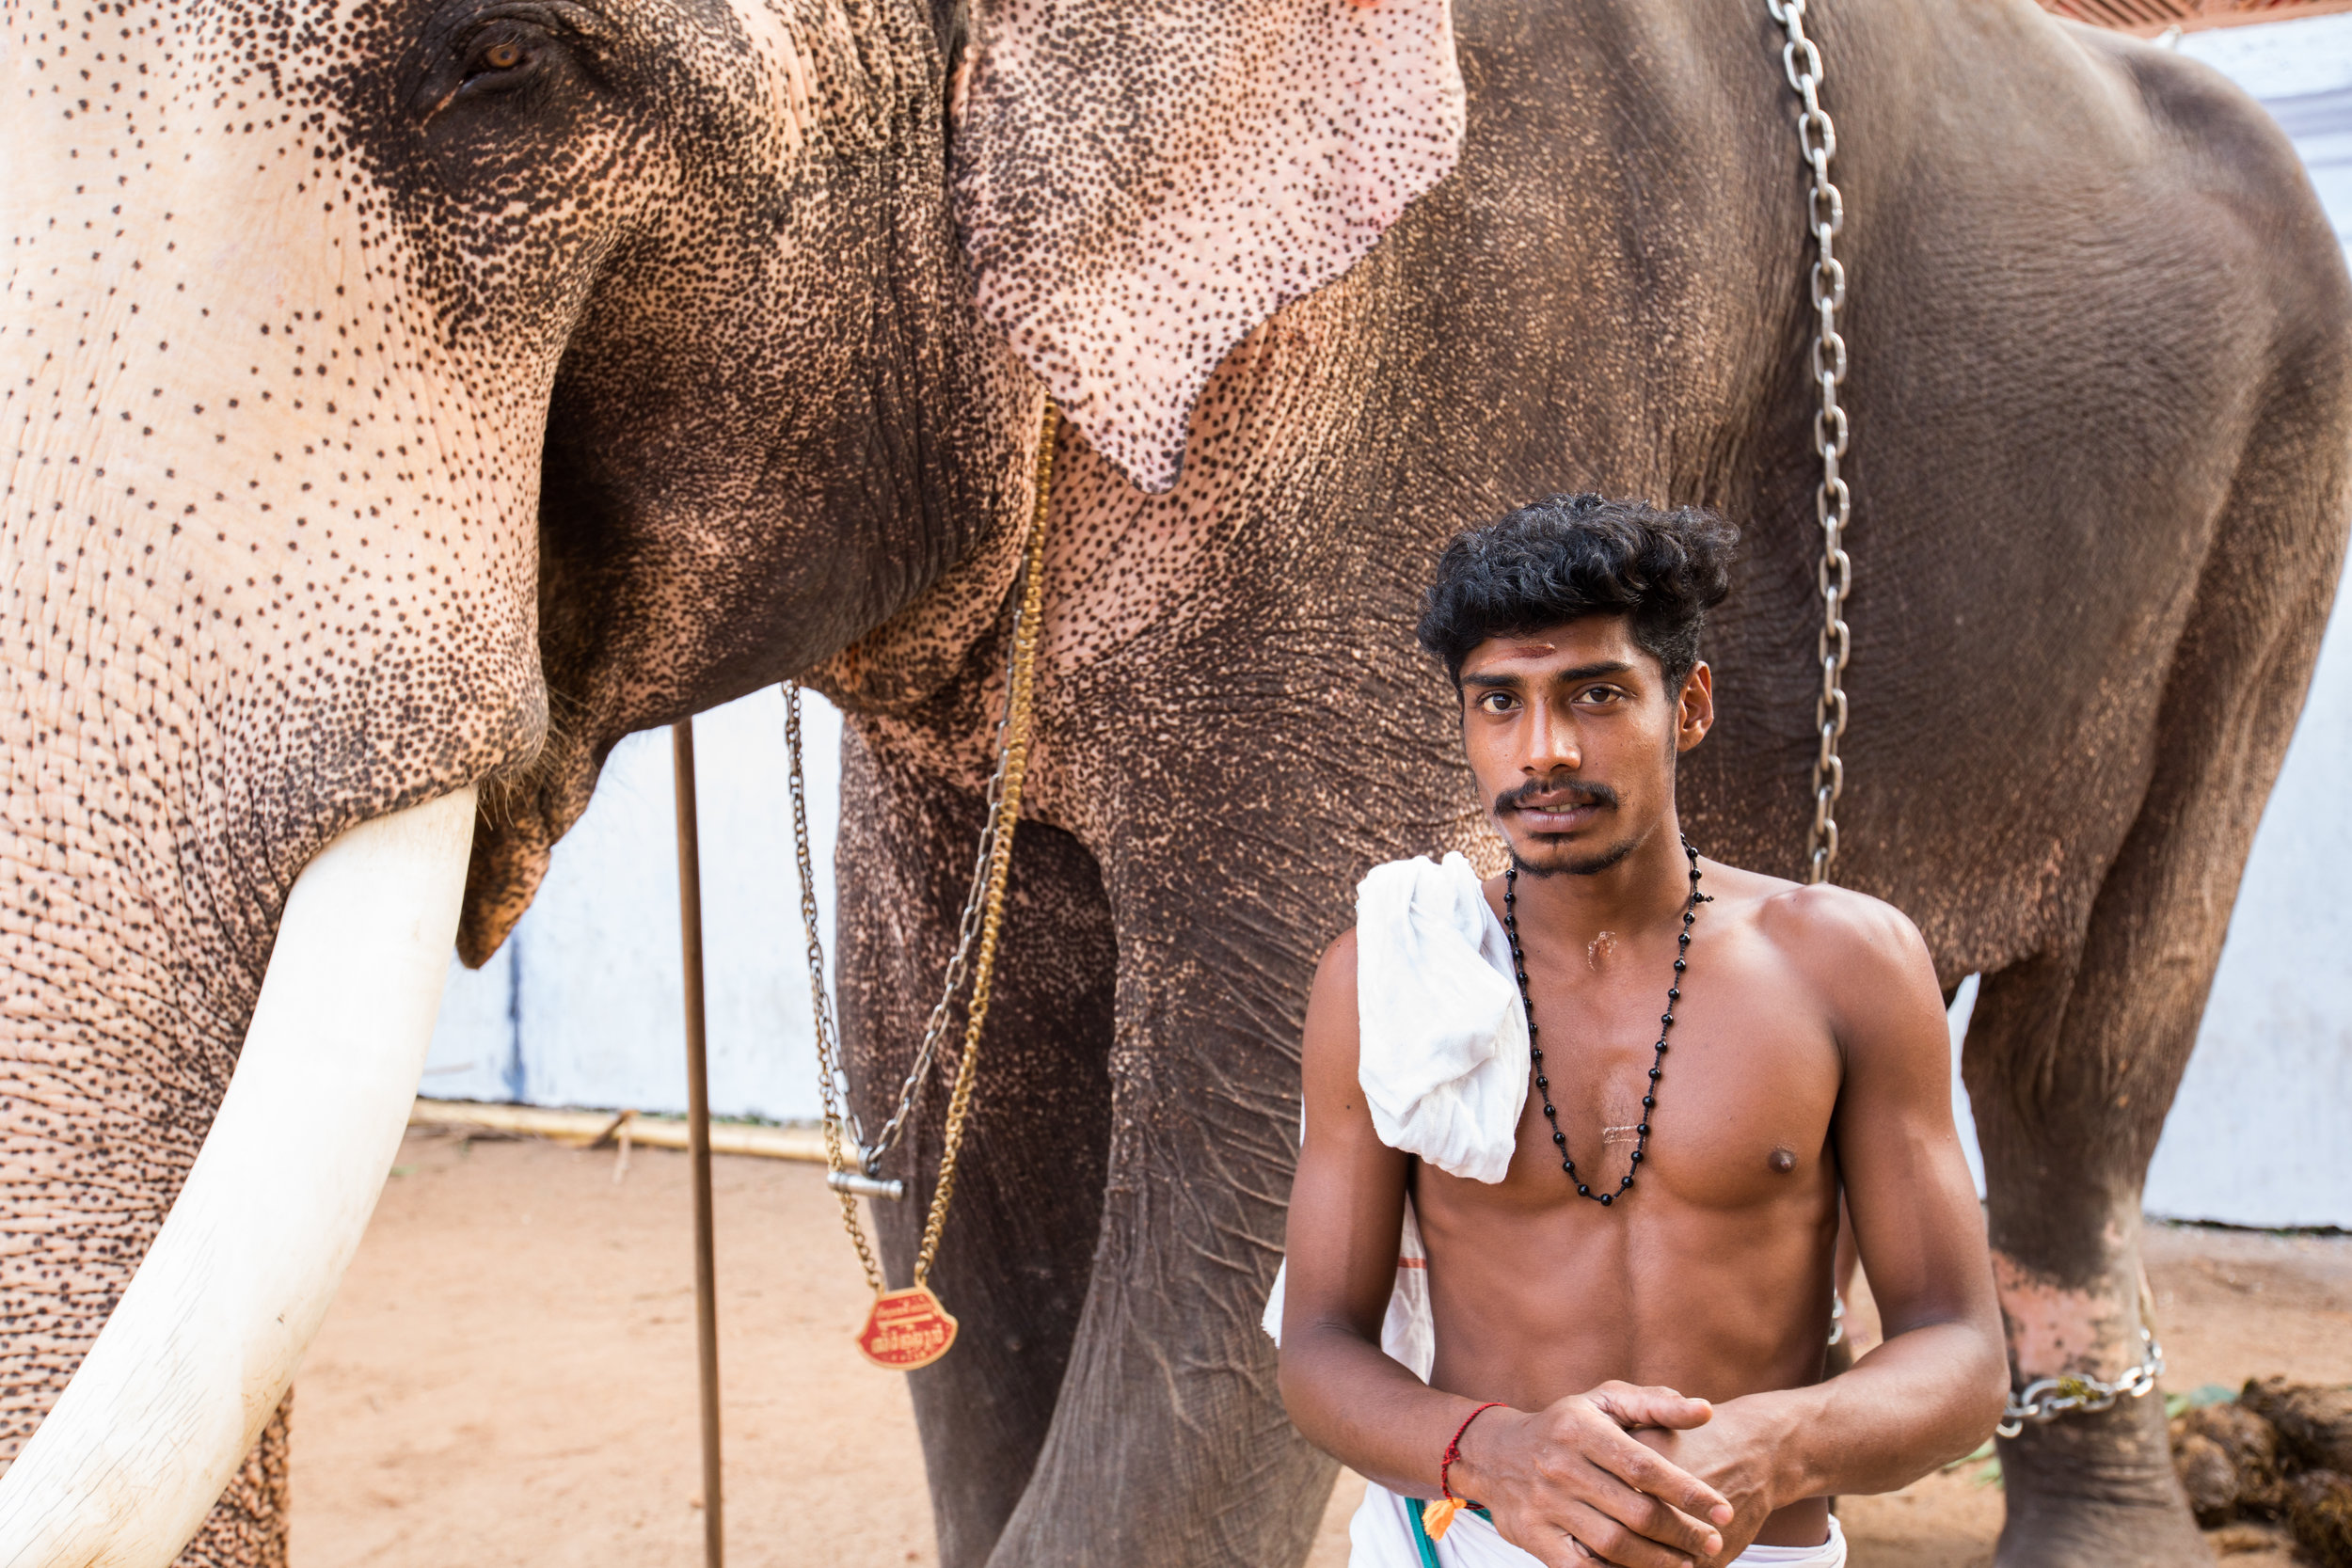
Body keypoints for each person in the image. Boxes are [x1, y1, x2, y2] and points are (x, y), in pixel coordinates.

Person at [1272, 495, 2007, 1568]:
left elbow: (1961, 1354)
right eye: (1498, 702)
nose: (1546, 749)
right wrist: (1496, 1452)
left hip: (1752, 1550)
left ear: (1689, 704)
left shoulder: (1844, 962)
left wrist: (1774, 1443)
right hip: (1467, 1543)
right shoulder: (1394, 973)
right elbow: (1318, 1347)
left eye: (1598, 694)